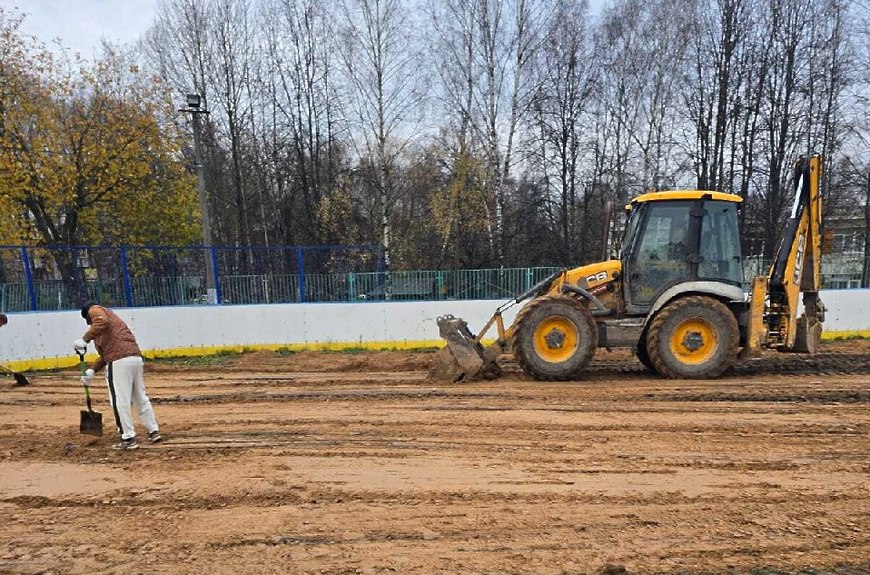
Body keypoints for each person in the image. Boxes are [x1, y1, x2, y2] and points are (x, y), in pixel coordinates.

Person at [73, 302, 161, 450]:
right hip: (135, 359)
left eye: (89, 322)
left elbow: (101, 322)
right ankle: (153, 431)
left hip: (119, 363)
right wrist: (92, 371)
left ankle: (128, 437)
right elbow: (105, 355)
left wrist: (84, 339)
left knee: (119, 400)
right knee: (140, 397)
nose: (90, 324)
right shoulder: (112, 326)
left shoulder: (95, 310)